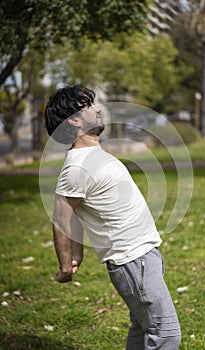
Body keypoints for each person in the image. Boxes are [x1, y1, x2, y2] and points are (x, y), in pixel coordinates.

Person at [44, 84, 181, 350]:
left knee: (143, 330)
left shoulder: (91, 155)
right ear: (73, 120)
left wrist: (78, 251)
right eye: (87, 106)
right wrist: (65, 264)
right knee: (166, 335)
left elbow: (79, 210)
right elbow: (62, 217)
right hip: (132, 260)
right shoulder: (77, 167)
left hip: (143, 256)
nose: (97, 109)